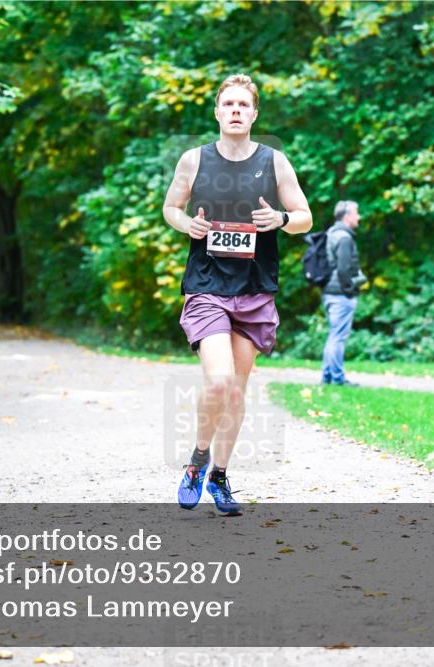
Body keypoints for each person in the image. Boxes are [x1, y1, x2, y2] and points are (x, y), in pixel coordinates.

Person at [163, 74, 313, 515]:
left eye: (243, 105)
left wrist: (281, 220)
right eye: (228, 103)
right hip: (207, 285)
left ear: (254, 114)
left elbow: (304, 216)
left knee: (236, 391)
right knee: (220, 381)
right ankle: (197, 461)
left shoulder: (274, 161)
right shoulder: (194, 160)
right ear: (216, 112)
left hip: (254, 290)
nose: (235, 110)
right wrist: (186, 224)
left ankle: (220, 477)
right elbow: (171, 207)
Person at [321, 200, 363, 386]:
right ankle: (337, 378)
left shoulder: (332, 233)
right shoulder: (344, 238)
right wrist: (350, 290)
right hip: (340, 293)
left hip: (329, 291)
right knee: (338, 337)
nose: (359, 217)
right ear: (347, 216)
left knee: (334, 335)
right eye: (356, 213)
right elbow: (344, 270)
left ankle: (328, 376)